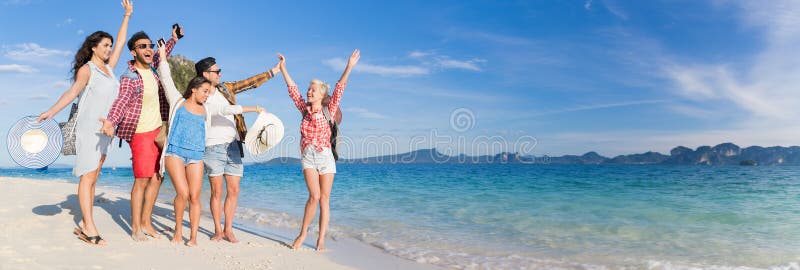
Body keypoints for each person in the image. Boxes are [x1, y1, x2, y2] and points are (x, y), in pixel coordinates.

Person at [35, 0, 134, 246]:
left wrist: (127, 15)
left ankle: (86, 222)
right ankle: (89, 226)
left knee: (95, 175)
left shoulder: (109, 69)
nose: (110, 49)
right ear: (93, 47)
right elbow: (71, 94)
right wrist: (50, 111)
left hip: (106, 130)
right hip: (89, 128)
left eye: (110, 46)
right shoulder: (87, 70)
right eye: (105, 45)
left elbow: (122, 41)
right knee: (88, 177)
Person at [154, 44, 264, 247]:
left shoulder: (208, 108)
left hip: (196, 155)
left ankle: (193, 237)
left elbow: (230, 108)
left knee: (195, 196)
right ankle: (178, 230)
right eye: (204, 91)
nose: (207, 95)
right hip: (175, 152)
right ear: (193, 89)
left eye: (208, 92)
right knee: (183, 193)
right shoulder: (177, 101)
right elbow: (166, 77)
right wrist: (162, 55)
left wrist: (254, 109)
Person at [100, 25, 182, 241]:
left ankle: (146, 222)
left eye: (150, 46)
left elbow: (164, 55)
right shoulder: (130, 76)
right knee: (142, 180)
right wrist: (111, 121)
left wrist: (173, 39)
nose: (149, 49)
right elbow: (122, 101)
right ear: (133, 52)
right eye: (142, 46)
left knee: (158, 176)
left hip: (158, 131)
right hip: (140, 132)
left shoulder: (153, 70)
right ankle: (136, 227)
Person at [277, 49, 360, 251]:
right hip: (308, 157)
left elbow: (340, 88)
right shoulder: (303, 109)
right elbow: (293, 90)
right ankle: (303, 233)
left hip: (325, 157)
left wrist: (349, 66)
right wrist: (283, 69)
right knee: (314, 196)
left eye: (313, 89)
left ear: (322, 94)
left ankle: (321, 240)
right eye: (309, 89)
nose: (309, 91)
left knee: (324, 199)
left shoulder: (328, 110)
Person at [194, 56, 280, 243]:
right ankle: (217, 230)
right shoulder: (202, 94)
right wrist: (254, 108)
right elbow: (224, 111)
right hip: (212, 146)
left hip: (233, 145)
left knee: (234, 190)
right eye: (216, 71)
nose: (220, 74)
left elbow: (248, 83)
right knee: (216, 192)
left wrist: (274, 71)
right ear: (205, 74)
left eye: (219, 71)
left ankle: (229, 229)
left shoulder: (225, 88)